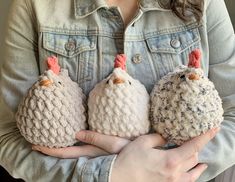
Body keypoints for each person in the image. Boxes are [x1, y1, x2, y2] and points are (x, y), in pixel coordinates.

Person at [0, 0, 234, 181]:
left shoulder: (204, 3)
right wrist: (107, 174)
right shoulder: (34, 6)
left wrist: (162, 166)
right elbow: (8, 135)